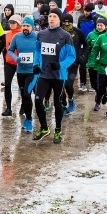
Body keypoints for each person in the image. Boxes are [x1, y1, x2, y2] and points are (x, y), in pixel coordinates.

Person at [32, 9, 76, 144]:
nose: (51, 18)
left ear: (60, 19)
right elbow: (38, 50)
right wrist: (35, 64)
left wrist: (61, 65)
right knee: (38, 100)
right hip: (44, 74)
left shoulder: (65, 36)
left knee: (58, 103)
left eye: (54, 16)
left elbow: (71, 55)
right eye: (50, 16)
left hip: (59, 76)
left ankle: (58, 129)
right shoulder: (41, 34)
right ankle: (44, 128)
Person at [7, 16, 38, 133]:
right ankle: (28, 117)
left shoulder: (37, 37)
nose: (25, 28)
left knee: (27, 94)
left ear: (32, 27)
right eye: (24, 25)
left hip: (32, 71)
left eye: (27, 26)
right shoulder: (17, 37)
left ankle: (29, 119)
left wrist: (38, 62)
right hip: (21, 71)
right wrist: (16, 58)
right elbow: (10, 50)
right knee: (24, 96)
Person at [60, 13, 86, 114]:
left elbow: (85, 45)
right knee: (60, 85)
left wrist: (83, 55)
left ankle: (70, 99)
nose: (66, 24)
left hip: (73, 63)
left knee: (68, 85)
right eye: (65, 22)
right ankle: (63, 104)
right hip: (61, 63)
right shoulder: (59, 32)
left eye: (68, 22)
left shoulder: (78, 32)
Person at [0, 14, 23, 116]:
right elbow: (5, 49)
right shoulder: (7, 34)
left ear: (19, 23)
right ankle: (8, 108)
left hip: (21, 63)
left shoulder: (23, 33)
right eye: (10, 23)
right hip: (9, 62)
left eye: (14, 23)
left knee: (21, 86)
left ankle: (23, 106)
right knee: (8, 84)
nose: (12, 25)